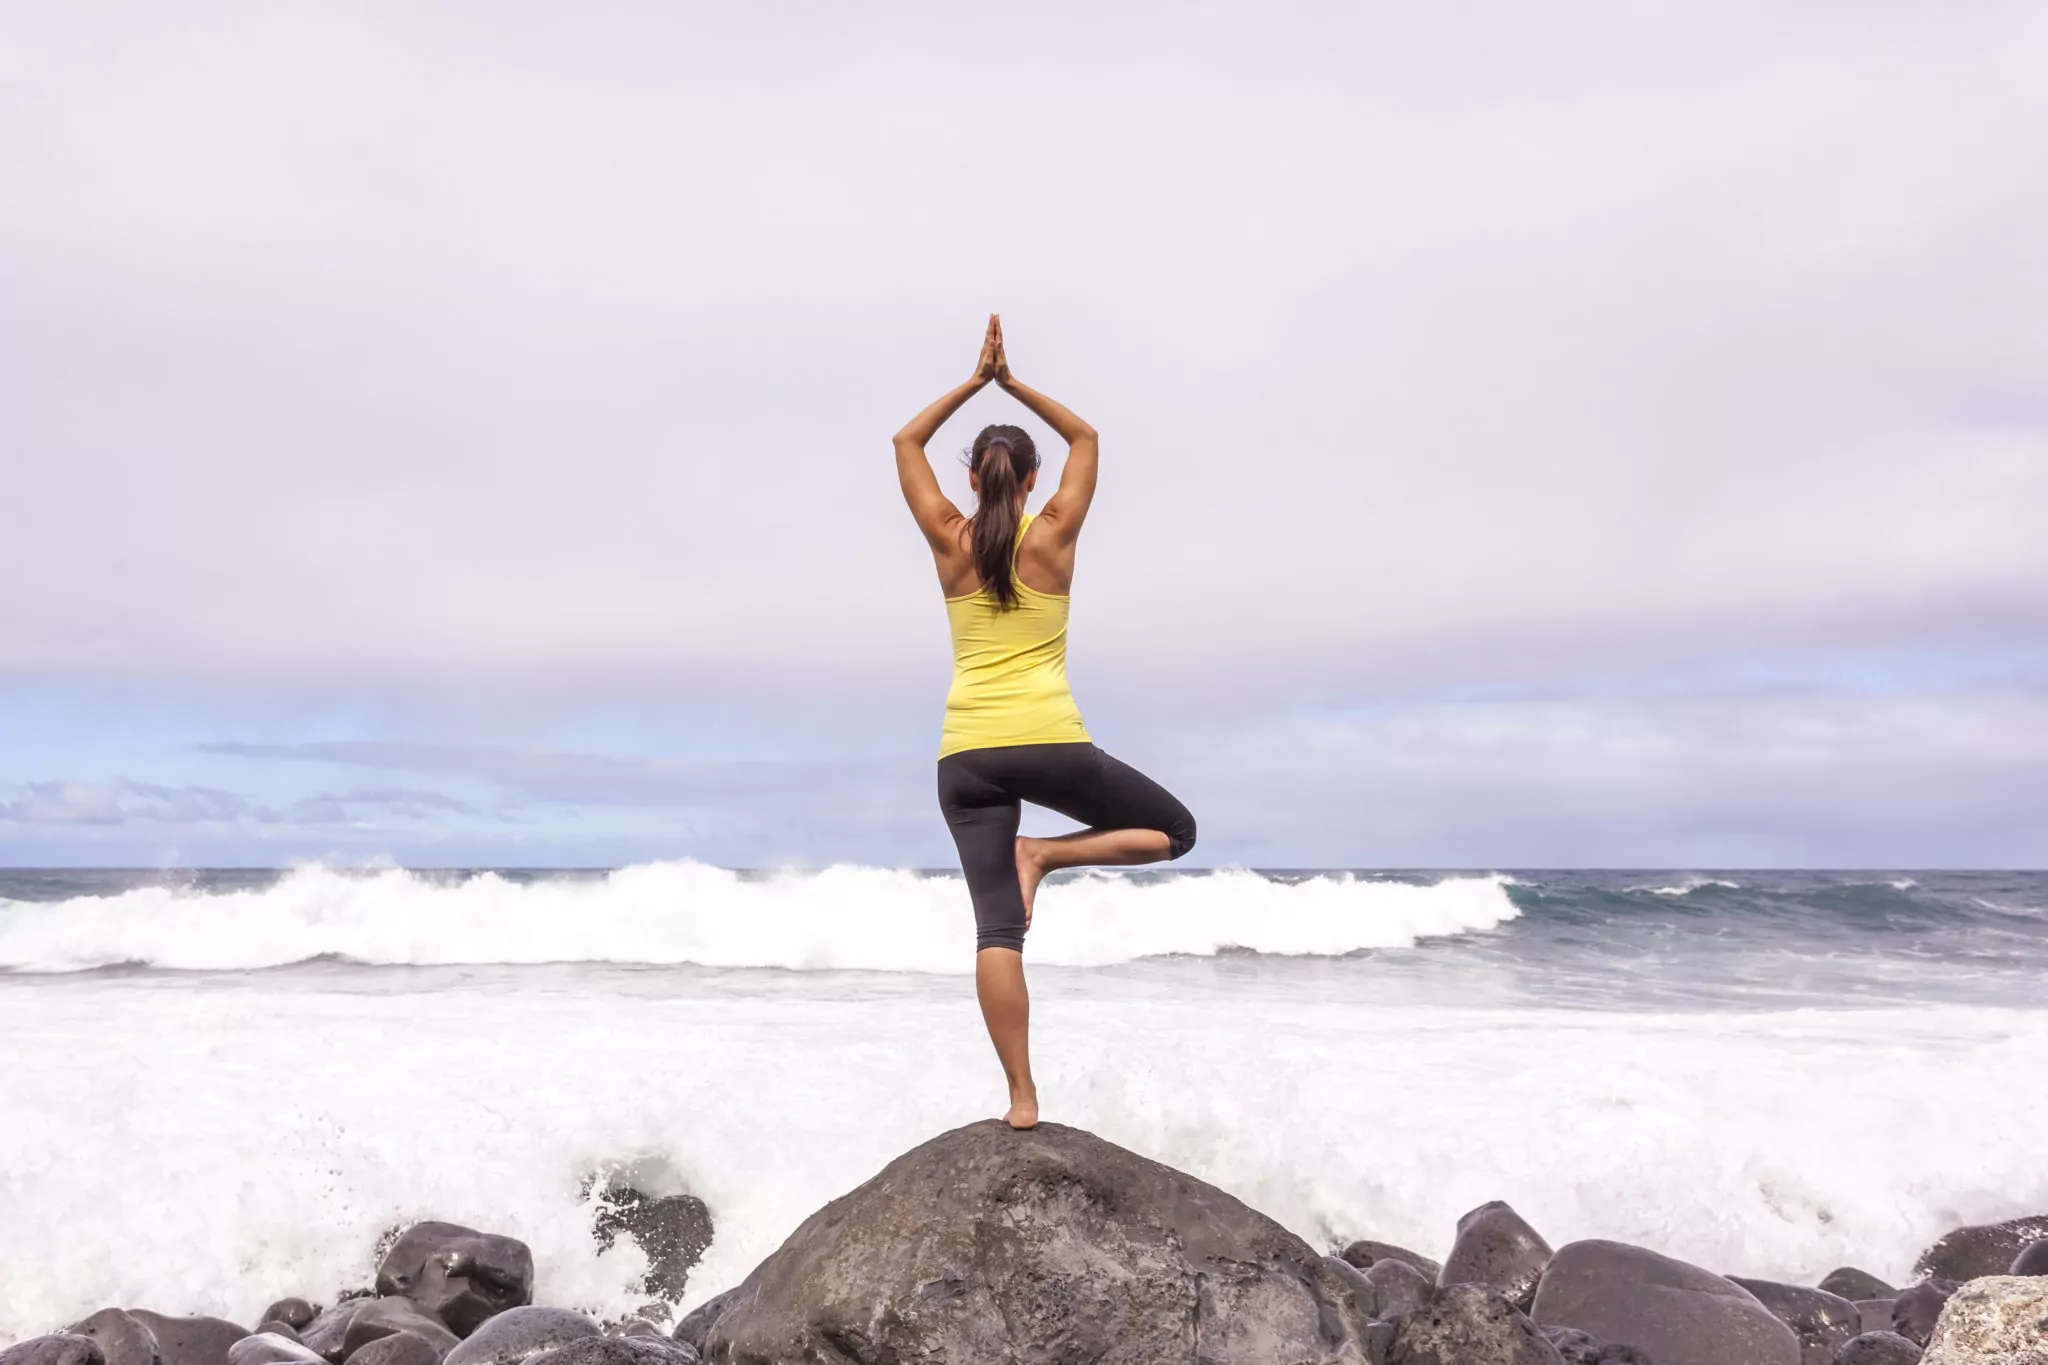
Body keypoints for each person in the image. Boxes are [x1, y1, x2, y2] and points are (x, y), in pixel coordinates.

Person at [892, 314, 1198, 1129]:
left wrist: (971, 381)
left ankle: (1023, 1098)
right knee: (1176, 832)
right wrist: (1011, 380)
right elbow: (1087, 434)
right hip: (1049, 741)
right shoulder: (1054, 535)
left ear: (973, 481)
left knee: (996, 928)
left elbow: (904, 443)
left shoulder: (950, 539)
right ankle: (1049, 854)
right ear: (1030, 481)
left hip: (965, 756)